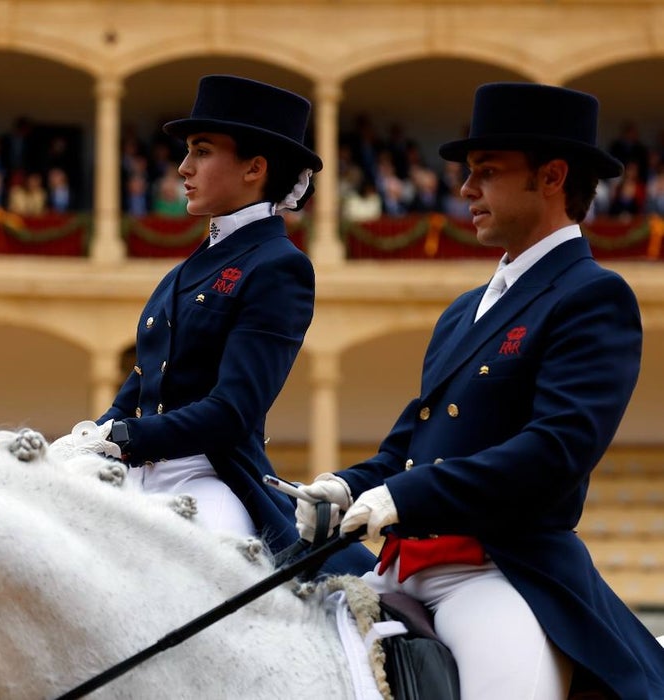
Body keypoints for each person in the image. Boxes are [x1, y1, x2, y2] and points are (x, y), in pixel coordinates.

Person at [295, 82, 664, 699]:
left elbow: (556, 451)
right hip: (399, 567)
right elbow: (409, 448)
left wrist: (406, 495)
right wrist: (346, 485)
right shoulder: (462, 312)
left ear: (551, 177)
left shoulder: (593, 297)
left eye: (487, 172)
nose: (466, 189)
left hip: (496, 573)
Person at [60, 75, 374, 575]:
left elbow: (232, 411)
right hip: (135, 470)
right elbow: (138, 390)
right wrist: (85, 439)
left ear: (254, 167)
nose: (183, 167)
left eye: (202, 151)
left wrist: (124, 437)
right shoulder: (183, 270)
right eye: (188, 152)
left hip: (208, 479)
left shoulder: (278, 265)